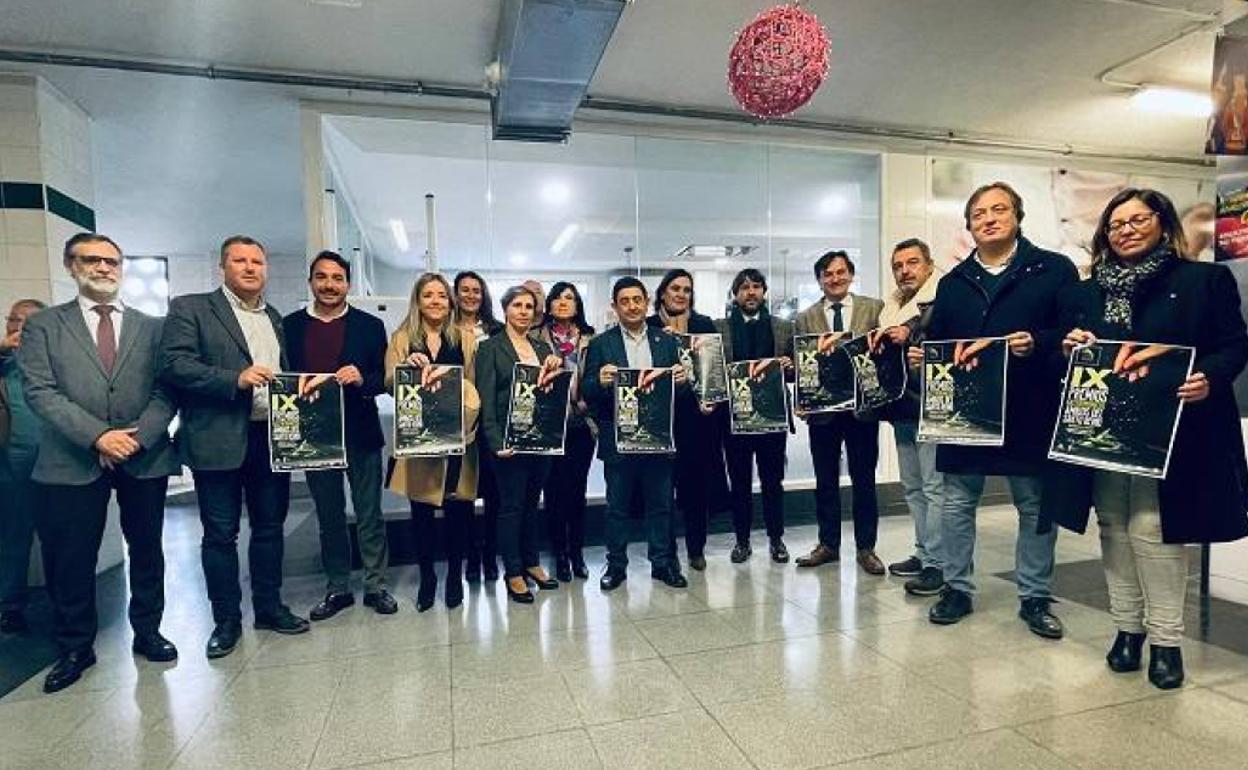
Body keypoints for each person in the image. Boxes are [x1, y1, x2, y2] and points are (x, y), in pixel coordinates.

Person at [1044, 188, 1248, 689]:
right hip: (1103, 434)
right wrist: (1066, 347)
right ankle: (1126, 629)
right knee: (1113, 526)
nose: (1126, 230)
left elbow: (1233, 344)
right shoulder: (1083, 293)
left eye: (1138, 220)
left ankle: (1166, 640)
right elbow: (1060, 358)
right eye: (1116, 224)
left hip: (1177, 431)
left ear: (1162, 223)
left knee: (1154, 530)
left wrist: (1211, 377)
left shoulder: (1204, 280)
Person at [909, 182, 1078, 638]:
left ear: (1017, 216)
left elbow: (1073, 334)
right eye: (979, 213)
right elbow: (938, 340)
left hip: (1030, 405)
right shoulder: (952, 282)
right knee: (958, 502)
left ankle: (1036, 596)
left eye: (999, 209)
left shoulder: (1053, 270)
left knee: (1034, 504)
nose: (989, 218)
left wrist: (1037, 342)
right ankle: (956, 587)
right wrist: (923, 356)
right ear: (969, 226)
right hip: (966, 410)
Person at [21, 234, 179, 693]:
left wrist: (137, 437)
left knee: (147, 550)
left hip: (142, 455)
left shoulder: (153, 327)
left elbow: (166, 390)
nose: (104, 268)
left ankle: (148, 631)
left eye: (112, 261)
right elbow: (40, 391)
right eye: (92, 260)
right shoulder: (44, 326)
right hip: (72, 458)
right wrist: (98, 436)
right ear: (71, 265)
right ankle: (74, 645)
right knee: (71, 556)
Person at [161, 235, 309, 659]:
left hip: (269, 437)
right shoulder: (191, 308)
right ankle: (226, 620)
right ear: (222, 267)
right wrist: (234, 379)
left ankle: (269, 607)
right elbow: (174, 365)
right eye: (240, 261)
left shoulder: (275, 317)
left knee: (269, 528)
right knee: (220, 534)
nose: (250, 268)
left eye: (257, 262)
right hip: (218, 437)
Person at [283, 251, 397, 620]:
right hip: (314, 437)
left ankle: (376, 585)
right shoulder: (289, 326)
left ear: (348, 283)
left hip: (361, 433)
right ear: (311, 282)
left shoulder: (369, 326)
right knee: (329, 514)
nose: (330, 285)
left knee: (369, 514)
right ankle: (338, 588)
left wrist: (364, 379)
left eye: (337, 278)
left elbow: (385, 379)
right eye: (322, 277)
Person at [582, 277, 688, 591]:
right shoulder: (601, 344)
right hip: (619, 441)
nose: (632, 305)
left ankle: (662, 564)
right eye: (624, 300)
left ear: (647, 303)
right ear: (615, 307)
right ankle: (616, 566)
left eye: (637, 299)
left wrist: (682, 382)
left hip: (658, 440)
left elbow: (680, 397)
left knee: (661, 505)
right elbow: (587, 392)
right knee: (617, 509)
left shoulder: (666, 342)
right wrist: (599, 381)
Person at [385, 273, 480, 612]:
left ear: (450, 302)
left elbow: (471, 384)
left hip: (457, 441)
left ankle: (455, 576)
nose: (436, 301)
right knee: (421, 514)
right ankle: (428, 578)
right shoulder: (401, 338)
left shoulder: (465, 338)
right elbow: (387, 383)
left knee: (459, 512)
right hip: (420, 442)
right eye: (429, 295)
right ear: (418, 301)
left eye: (442, 295)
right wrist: (405, 368)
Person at [792, 251, 886, 575]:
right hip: (823, 414)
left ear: (851, 274)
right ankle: (828, 545)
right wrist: (801, 399)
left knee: (864, 481)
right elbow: (802, 363)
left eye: (840, 272)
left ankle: (866, 548)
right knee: (825, 481)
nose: (835, 279)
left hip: (862, 411)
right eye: (828, 274)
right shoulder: (805, 317)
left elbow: (883, 355)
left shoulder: (873, 308)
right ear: (819, 279)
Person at [476, 285, 564, 603]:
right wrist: (495, 441)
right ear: (505, 310)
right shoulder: (489, 349)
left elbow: (552, 394)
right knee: (510, 508)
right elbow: (485, 400)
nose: (524, 311)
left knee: (531, 505)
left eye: (529, 306)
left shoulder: (542, 349)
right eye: (517, 305)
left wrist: (558, 368)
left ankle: (532, 563)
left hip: (539, 441)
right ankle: (513, 572)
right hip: (507, 444)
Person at [876, 239, 946, 596]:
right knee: (914, 487)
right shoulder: (891, 307)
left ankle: (939, 564)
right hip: (902, 406)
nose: (905, 270)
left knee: (935, 489)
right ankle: (923, 552)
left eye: (912, 263)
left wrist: (913, 333)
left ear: (929, 265)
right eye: (898, 265)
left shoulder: (943, 299)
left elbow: (952, 344)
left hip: (933, 406)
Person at [646, 268, 724, 571]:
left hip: (698, 419)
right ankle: (666, 551)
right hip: (661, 419)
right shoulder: (650, 326)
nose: (680, 294)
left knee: (696, 488)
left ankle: (696, 548)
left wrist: (712, 399)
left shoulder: (704, 325)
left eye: (686, 290)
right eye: (675, 288)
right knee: (662, 490)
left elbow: (714, 371)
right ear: (663, 293)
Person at [715, 268, 793, 565]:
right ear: (735, 294)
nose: (751, 292)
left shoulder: (783, 327)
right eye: (744, 287)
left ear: (764, 292)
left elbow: (798, 370)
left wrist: (789, 366)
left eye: (757, 286)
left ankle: (777, 539)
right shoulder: (719, 327)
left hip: (773, 417)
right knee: (740, 482)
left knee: (773, 481)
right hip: (734, 418)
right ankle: (742, 541)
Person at [537, 282, 596, 582]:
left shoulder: (591, 338)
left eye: (569, 298)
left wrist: (587, 400)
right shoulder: (536, 337)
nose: (563, 302)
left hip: (581, 425)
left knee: (577, 492)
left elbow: (599, 377)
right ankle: (559, 553)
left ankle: (577, 552)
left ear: (577, 305)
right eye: (558, 297)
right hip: (548, 426)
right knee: (553, 493)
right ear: (548, 304)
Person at [453, 270, 504, 583]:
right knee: (464, 496)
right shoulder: (446, 329)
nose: (471, 295)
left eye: (476, 290)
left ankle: (489, 555)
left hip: (493, 423)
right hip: (459, 423)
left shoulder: (497, 330)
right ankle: (471, 556)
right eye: (464, 290)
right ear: (455, 294)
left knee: (495, 494)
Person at [0, 298, 46, 635]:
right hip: (11, 464)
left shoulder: (56, 361)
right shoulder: (3, 362)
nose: (19, 328)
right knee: (13, 537)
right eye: (14, 321)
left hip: (58, 463)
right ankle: (10, 606)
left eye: (28, 323)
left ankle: (68, 602)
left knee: (62, 538)